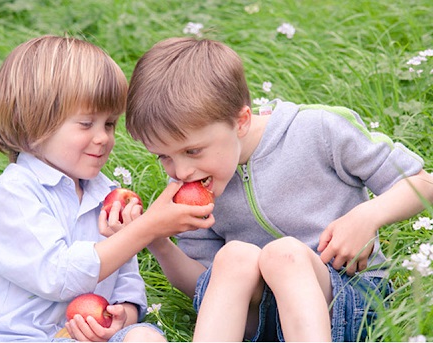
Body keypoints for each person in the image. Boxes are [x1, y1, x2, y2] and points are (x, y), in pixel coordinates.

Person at [124, 36, 433, 341]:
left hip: (347, 299)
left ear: (241, 121)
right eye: (164, 156)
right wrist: (158, 240)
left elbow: (422, 183)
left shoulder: (318, 131)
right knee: (232, 257)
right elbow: (206, 285)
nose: (181, 172)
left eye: (193, 151)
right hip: (260, 320)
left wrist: (367, 216)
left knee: (283, 254)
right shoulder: (189, 186)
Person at [0, 35, 215, 342]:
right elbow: (58, 276)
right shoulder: (15, 192)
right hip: (12, 337)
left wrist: (122, 315)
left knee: (144, 336)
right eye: (86, 124)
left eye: (110, 124)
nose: (103, 138)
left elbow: (127, 281)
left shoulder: (108, 196)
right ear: (34, 123)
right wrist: (146, 228)